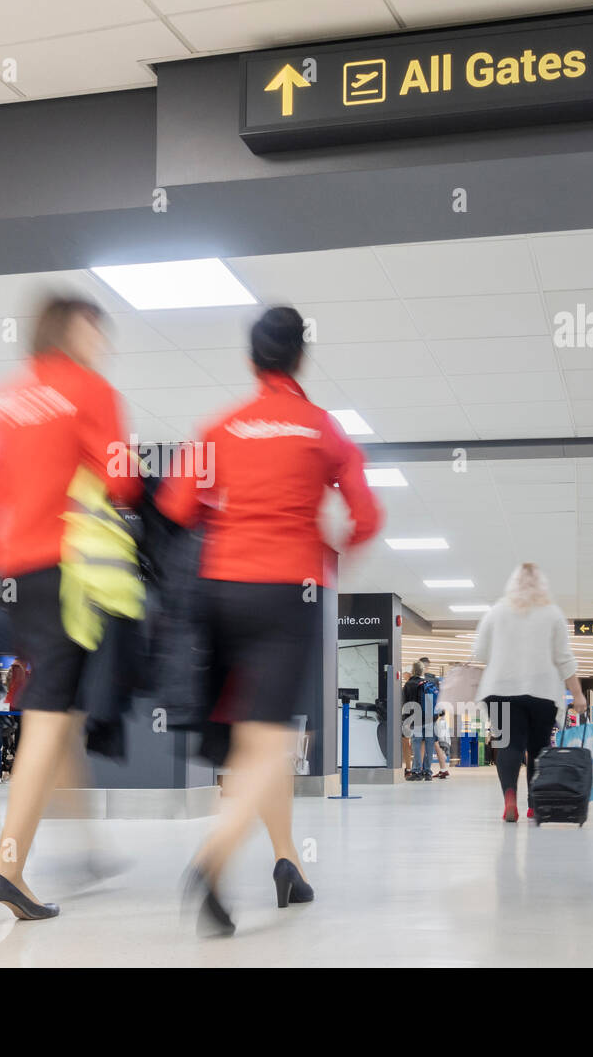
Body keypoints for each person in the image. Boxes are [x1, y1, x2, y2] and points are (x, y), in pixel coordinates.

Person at [157, 305, 383, 935]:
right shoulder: (320, 428)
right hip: (288, 594)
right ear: (299, 359)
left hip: (222, 593)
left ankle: (287, 863)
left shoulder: (220, 426)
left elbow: (177, 504)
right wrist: (333, 551)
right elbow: (366, 515)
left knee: (256, 740)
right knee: (275, 739)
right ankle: (212, 862)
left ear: (252, 360)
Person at [0, 296, 141, 924]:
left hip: (19, 574)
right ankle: (8, 869)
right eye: (98, 329)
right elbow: (122, 480)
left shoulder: (6, 399)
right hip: (70, 573)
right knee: (46, 715)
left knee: (54, 712)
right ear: (75, 328)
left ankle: (40, 855)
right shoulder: (90, 389)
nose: (104, 342)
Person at [472, 563, 586, 823]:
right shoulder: (552, 613)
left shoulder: (496, 612)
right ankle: (535, 803)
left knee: (508, 746)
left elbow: (479, 652)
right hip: (542, 691)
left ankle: (509, 798)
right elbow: (564, 658)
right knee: (538, 747)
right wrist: (577, 694)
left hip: (500, 689)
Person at [401, 661, 435, 781]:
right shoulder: (429, 683)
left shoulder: (409, 684)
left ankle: (416, 771)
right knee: (429, 745)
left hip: (416, 719)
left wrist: (405, 720)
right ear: (422, 671)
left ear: (412, 671)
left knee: (416, 744)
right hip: (430, 718)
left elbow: (405, 704)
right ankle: (428, 772)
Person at [433, 705, 451, 779]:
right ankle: (443, 769)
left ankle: (443, 770)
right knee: (437, 745)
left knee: (437, 745)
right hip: (437, 721)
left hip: (435, 722)